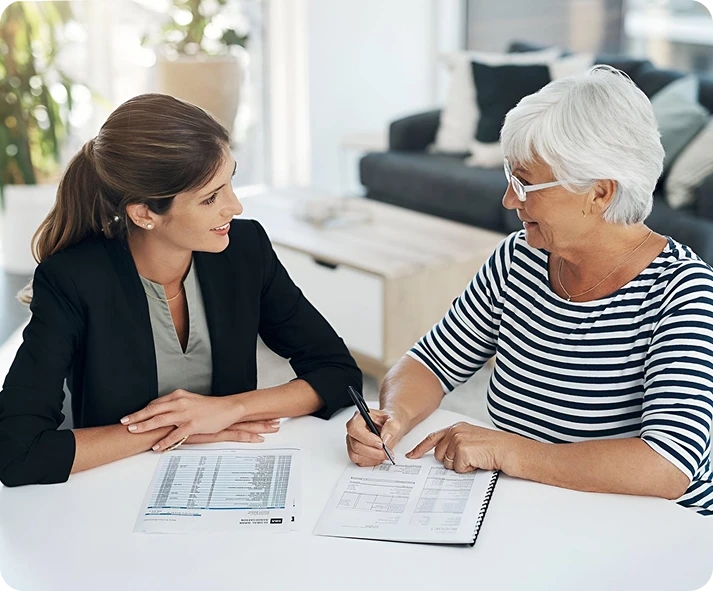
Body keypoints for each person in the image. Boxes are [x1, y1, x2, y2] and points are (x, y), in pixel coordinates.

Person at [346, 66, 713, 516]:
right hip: (535, 513)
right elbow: (430, 363)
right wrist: (395, 417)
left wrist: (507, 450)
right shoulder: (520, 257)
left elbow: (667, 466)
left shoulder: (685, 294)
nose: (508, 198)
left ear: (598, 193)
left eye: (525, 183)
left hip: (644, 535)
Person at [0, 93, 361, 487]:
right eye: (210, 197)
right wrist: (177, 429)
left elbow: (338, 373)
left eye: (230, 183)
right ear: (144, 213)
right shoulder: (72, 279)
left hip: (229, 477)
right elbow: (18, 452)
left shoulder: (245, 249)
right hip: (114, 489)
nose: (235, 207)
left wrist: (231, 408)